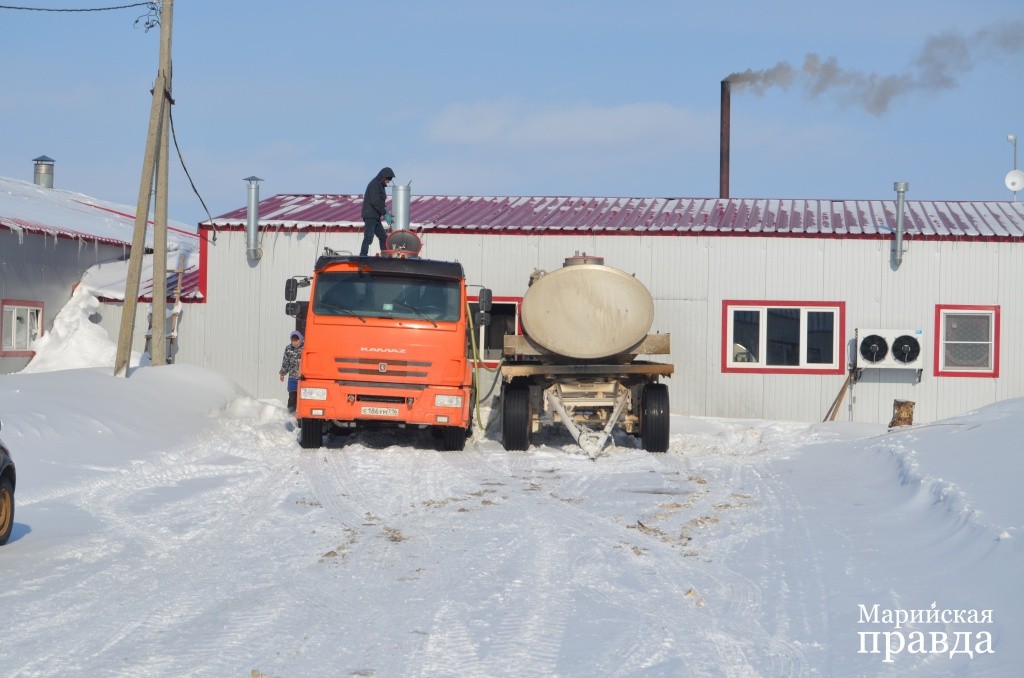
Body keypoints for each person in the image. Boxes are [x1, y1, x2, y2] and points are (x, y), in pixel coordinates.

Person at [360, 166, 396, 256]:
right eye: (387, 180)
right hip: (370, 216)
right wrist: (385, 213)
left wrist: (387, 213)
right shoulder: (374, 185)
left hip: (375, 217)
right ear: (383, 177)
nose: (388, 182)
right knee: (368, 237)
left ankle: (384, 256)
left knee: (383, 237)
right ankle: (362, 256)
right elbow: (375, 201)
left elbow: (381, 203)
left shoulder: (380, 185)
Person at [279, 330, 303, 412]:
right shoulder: (289, 348)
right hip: (292, 377)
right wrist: (282, 373)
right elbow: (285, 362)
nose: (295, 343)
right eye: (293, 341)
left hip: (303, 378)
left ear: (300, 339)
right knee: (292, 396)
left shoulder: (306, 347)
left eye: (296, 341)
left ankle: (301, 415)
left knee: (302, 397)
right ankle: (291, 413)